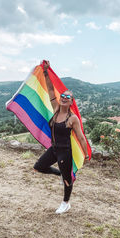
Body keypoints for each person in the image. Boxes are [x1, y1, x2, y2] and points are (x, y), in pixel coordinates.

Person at [34, 60, 89, 214]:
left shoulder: (73, 119)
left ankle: (65, 203)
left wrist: (85, 154)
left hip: (65, 151)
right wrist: (46, 72)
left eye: (68, 97)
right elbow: (51, 90)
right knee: (39, 167)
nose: (64, 97)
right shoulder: (56, 109)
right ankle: (61, 173)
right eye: (63, 95)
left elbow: (81, 138)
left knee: (67, 180)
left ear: (71, 102)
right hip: (54, 149)